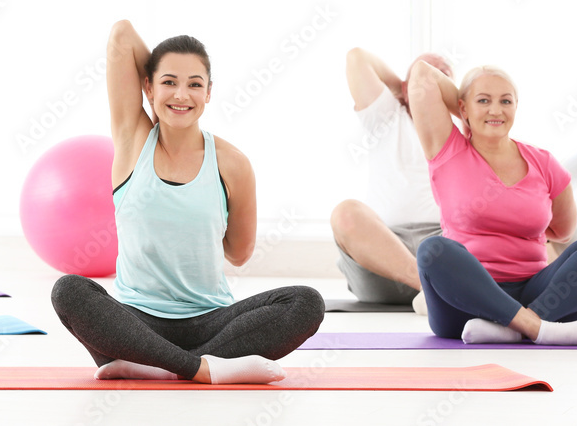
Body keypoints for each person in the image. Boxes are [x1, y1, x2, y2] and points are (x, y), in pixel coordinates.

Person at [51, 20, 324, 384]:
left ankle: (151, 365)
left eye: (194, 84)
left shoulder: (232, 163)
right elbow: (121, 34)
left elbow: (240, 253)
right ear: (146, 87)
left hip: (211, 323)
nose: (181, 95)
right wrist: (160, 71)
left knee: (306, 302)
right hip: (135, 322)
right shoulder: (134, 140)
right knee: (68, 291)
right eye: (169, 82)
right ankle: (201, 368)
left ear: (209, 93)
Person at [408, 61, 577, 345]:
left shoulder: (544, 162)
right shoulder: (447, 149)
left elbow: (562, 231)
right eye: (483, 100)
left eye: (505, 101)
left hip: (539, 294)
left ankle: (514, 328)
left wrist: (477, 105)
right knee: (433, 250)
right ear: (462, 108)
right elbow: (422, 74)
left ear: (516, 107)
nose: (496, 110)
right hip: (464, 307)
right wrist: (471, 110)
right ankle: (536, 328)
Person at [330, 48, 452, 311]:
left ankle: (438, 291)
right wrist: (408, 88)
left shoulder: (468, 129)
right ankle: (433, 290)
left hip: (445, 249)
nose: (432, 81)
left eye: (442, 77)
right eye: (423, 77)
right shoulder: (386, 117)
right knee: (346, 213)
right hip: (382, 256)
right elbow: (356, 58)